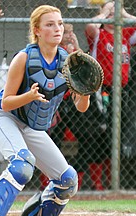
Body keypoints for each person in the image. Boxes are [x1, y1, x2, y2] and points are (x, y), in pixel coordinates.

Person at [0, 5, 90, 216]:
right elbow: (6, 103)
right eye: (49, 24)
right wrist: (29, 96)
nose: (57, 28)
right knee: (23, 164)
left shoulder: (68, 62)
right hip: (3, 117)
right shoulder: (24, 57)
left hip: (31, 126)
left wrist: (85, 91)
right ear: (37, 30)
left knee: (68, 179)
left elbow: (81, 107)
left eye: (59, 23)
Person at [81, 0, 136, 190]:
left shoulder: (125, 34)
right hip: (99, 87)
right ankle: (97, 184)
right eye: (111, 11)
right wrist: (105, 11)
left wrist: (125, 15)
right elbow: (90, 26)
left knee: (115, 136)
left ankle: (110, 182)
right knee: (98, 133)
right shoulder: (100, 33)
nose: (113, 14)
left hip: (121, 91)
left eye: (116, 10)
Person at [39, 22, 81, 191]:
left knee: (83, 138)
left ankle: (72, 181)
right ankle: (46, 183)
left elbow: (84, 67)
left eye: (70, 31)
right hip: (53, 100)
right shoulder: (52, 53)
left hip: (70, 101)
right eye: (67, 32)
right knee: (51, 141)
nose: (68, 34)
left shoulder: (71, 52)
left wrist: (76, 45)